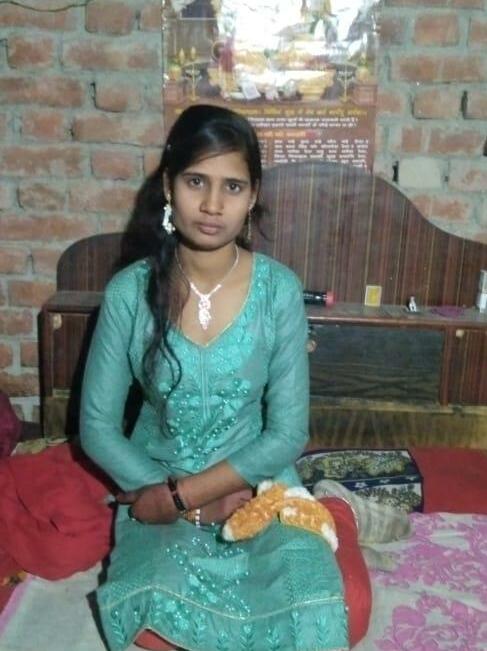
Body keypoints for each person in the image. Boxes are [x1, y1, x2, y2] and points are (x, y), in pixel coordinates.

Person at [80, 104, 369, 651]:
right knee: (153, 608)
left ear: (253, 195)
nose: (213, 205)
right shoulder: (128, 293)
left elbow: (287, 433)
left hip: (257, 486)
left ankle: (333, 518)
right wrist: (177, 502)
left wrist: (189, 495)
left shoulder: (278, 290)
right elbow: (96, 426)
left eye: (232, 187)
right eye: (196, 182)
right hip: (154, 483)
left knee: (324, 607)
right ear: (169, 185)